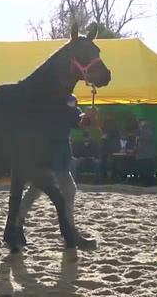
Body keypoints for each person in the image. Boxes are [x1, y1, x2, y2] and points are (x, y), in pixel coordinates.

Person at [14, 94, 97, 250]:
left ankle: (17, 225)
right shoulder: (47, 98)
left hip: (58, 152)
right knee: (64, 190)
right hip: (46, 151)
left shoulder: (67, 98)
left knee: (37, 190)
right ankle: (69, 233)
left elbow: (76, 122)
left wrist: (87, 117)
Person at [135, 118, 156, 186]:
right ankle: (149, 182)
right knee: (147, 168)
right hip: (146, 153)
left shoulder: (146, 129)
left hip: (146, 153)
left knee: (147, 168)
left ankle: (148, 182)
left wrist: (139, 138)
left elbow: (147, 138)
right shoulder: (146, 129)